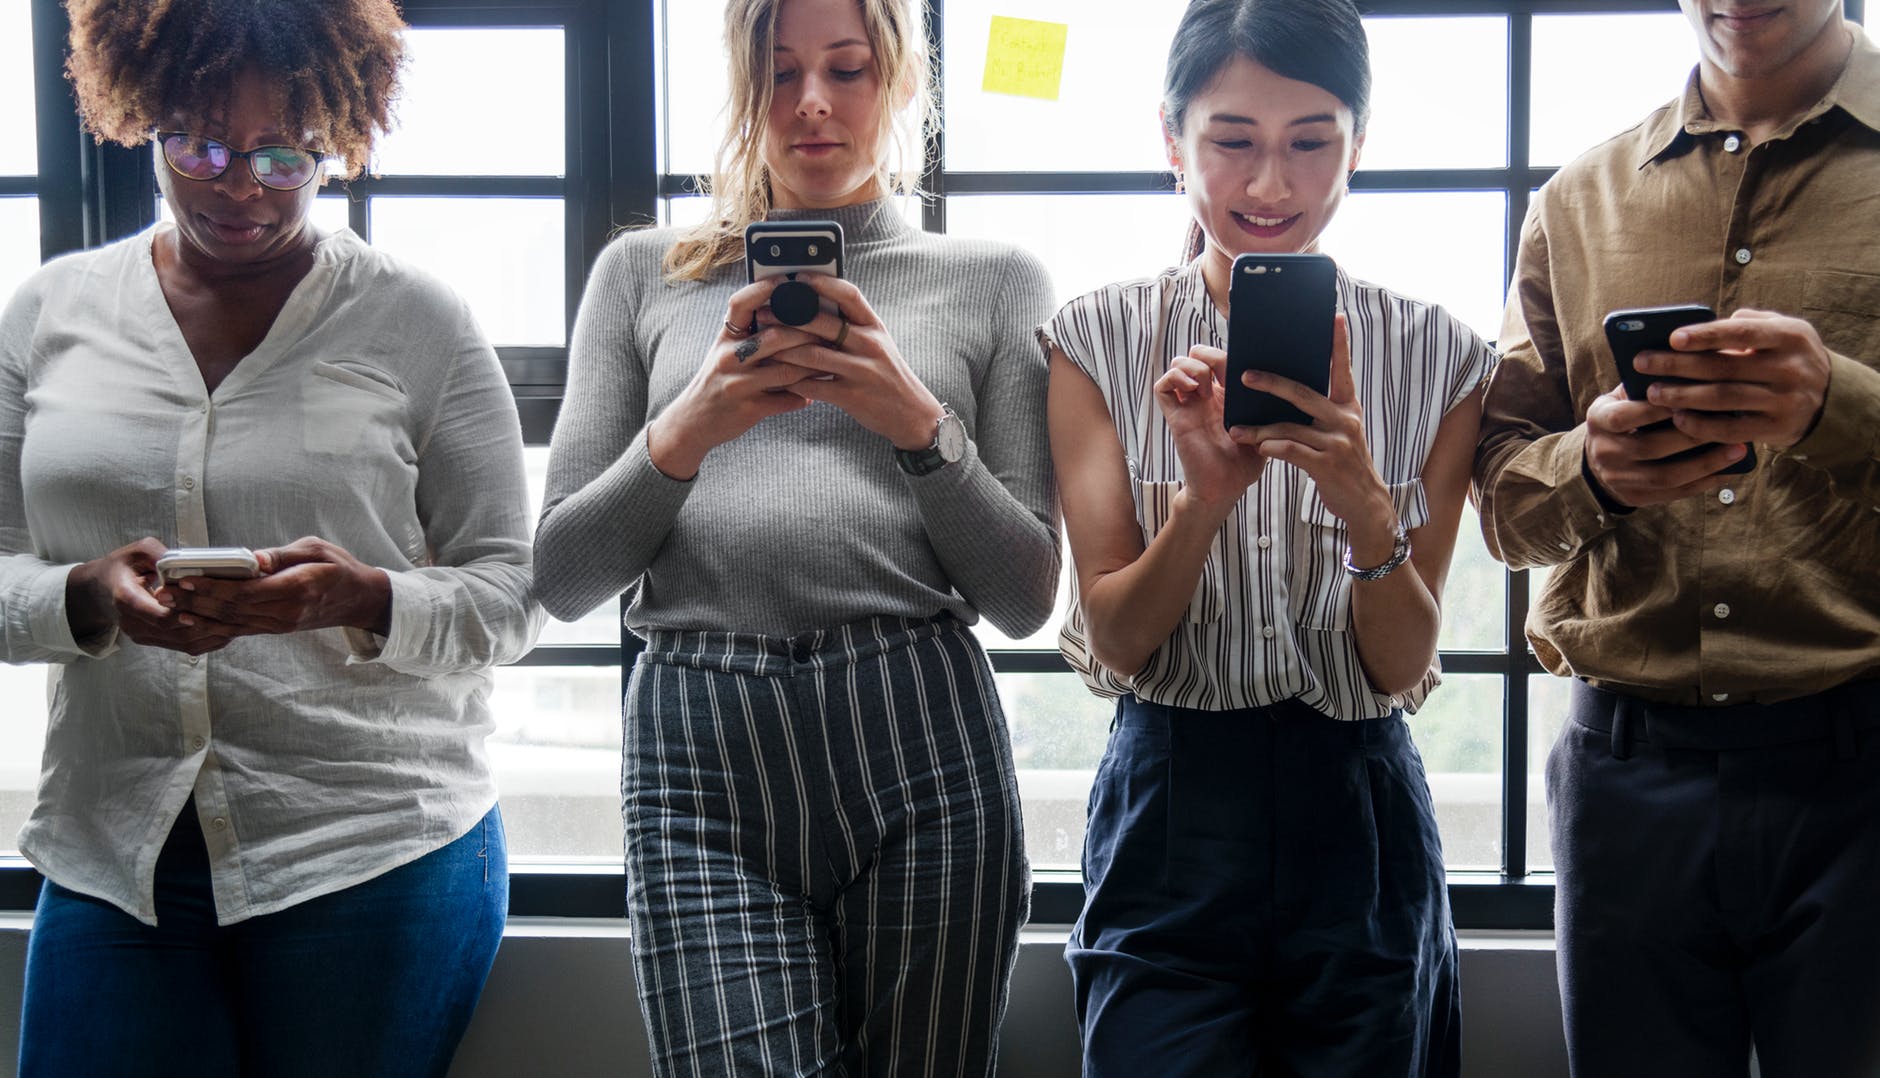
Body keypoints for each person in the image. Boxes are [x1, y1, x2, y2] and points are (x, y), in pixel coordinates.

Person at [0, 1, 543, 1074]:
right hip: (120, 850)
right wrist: (86, 593)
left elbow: (513, 592)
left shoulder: (419, 322)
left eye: (283, 152)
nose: (239, 184)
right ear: (143, 115)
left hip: (372, 848)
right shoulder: (50, 313)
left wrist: (363, 599)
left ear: (336, 137)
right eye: (198, 145)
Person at [531, 0, 1058, 1072]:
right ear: (740, 85)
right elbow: (562, 572)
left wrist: (917, 424)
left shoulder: (996, 280)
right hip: (699, 739)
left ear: (901, 83)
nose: (812, 103)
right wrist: (688, 428)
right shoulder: (642, 273)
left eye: (847, 69)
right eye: (777, 74)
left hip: (918, 727)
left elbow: (1024, 594)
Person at [1042, 0, 1491, 1073]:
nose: (1267, 187)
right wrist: (1200, 500)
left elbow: (1399, 661)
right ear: (1170, 142)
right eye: (1231, 142)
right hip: (1170, 793)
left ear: (1358, 147)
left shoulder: (1441, 356)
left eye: (1309, 143)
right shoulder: (1094, 338)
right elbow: (1114, 643)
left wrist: (1362, 507)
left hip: (1358, 798)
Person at [1473, 1, 1880, 1073]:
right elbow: (1502, 498)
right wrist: (1590, 469)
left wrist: (1835, 406)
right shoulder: (1574, 199)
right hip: (1623, 777)